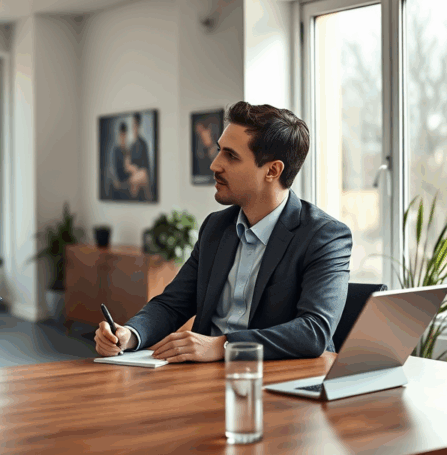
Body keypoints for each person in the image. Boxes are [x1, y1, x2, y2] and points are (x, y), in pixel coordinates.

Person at [95, 101, 353, 362]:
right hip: (205, 381)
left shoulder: (325, 236)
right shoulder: (215, 228)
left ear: (272, 171)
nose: (214, 165)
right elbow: (171, 304)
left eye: (231, 156)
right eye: (219, 151)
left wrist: (222, 346)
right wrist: (130, 333)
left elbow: (313, 332)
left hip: (280, 384)